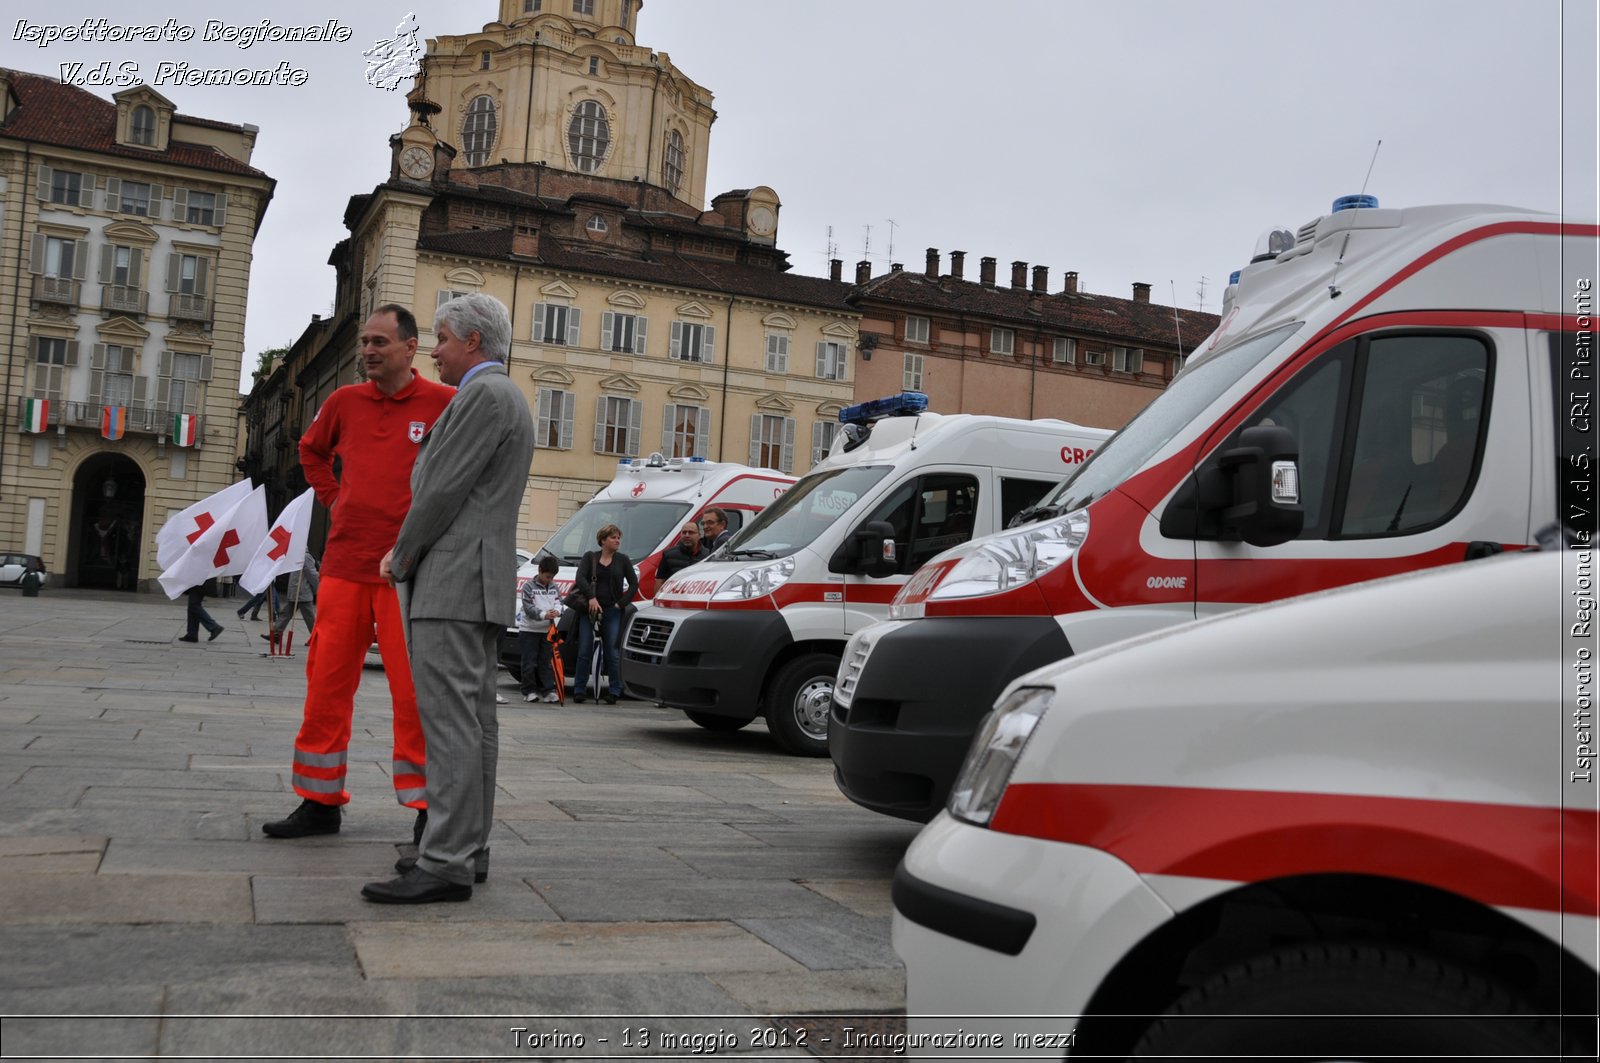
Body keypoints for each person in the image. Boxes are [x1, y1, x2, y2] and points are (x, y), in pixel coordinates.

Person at [365, 292, 534, 905]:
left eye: (440, 338)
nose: (432, 349)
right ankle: (466, 847)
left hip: (453, 581)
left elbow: (439, 489)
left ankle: (445, 860)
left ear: (472, 341)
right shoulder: (504, 396)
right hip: (479, 581)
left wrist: (401, 554)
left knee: (450, 724)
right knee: (474, 722)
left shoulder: (483, 396)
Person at [261, 305, 453, 842]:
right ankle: (319, 803)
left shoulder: (445, 404)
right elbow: (309, 451)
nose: (367, 350)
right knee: (325, 686)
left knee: (414, 696)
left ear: (411, 348)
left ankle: (426, 812)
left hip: (407, 573)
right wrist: (336, 499)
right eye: (364, 341)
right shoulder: (343, 402)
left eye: (379, 342)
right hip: (345, 567)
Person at [571, 523, 639, 705]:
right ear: (603, 540)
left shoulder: (623, 560)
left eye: (618, 538)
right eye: (613, 537)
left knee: (612, 652)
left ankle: (615, 690)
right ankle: (579, 689)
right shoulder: (590, 557)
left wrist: (621, 603)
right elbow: (580, 578)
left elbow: (634, 584)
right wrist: (591, 597)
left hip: (612, 610)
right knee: (584, 650)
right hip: (590, 610)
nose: (617, 540)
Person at [517, 555, 563, 703]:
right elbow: (528, 608)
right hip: (529, 630)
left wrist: (557, 611)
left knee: (545, 662)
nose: (550, 580)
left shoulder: (554, 586)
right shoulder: (528, 587)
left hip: (546, 631)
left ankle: (548, 690)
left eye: (552, 577)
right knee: (529, 662)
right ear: (540, 571)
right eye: (548, 576)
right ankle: (529, 691)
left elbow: (559, 602)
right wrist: (544, 615)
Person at [265, 552, 319, 643]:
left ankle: (317, 638)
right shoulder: (297, 555)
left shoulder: (305, 556)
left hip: (302, 592)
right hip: (295, 592)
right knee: (285, 613)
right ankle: (276, 634)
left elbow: (312, 574)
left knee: (309, 618)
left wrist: (318, 588)